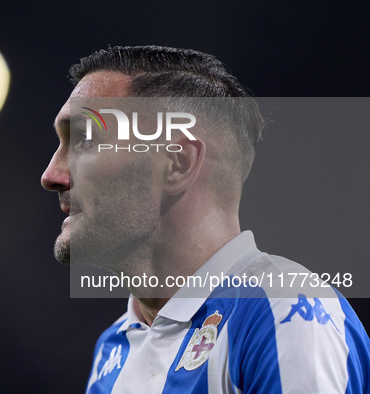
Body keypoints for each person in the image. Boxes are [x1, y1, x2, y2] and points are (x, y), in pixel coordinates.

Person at [41, 46, 370, 393]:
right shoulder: (114, 349)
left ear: (177, 164)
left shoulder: (281, 313)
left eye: (85, 140)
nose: (51, 175)